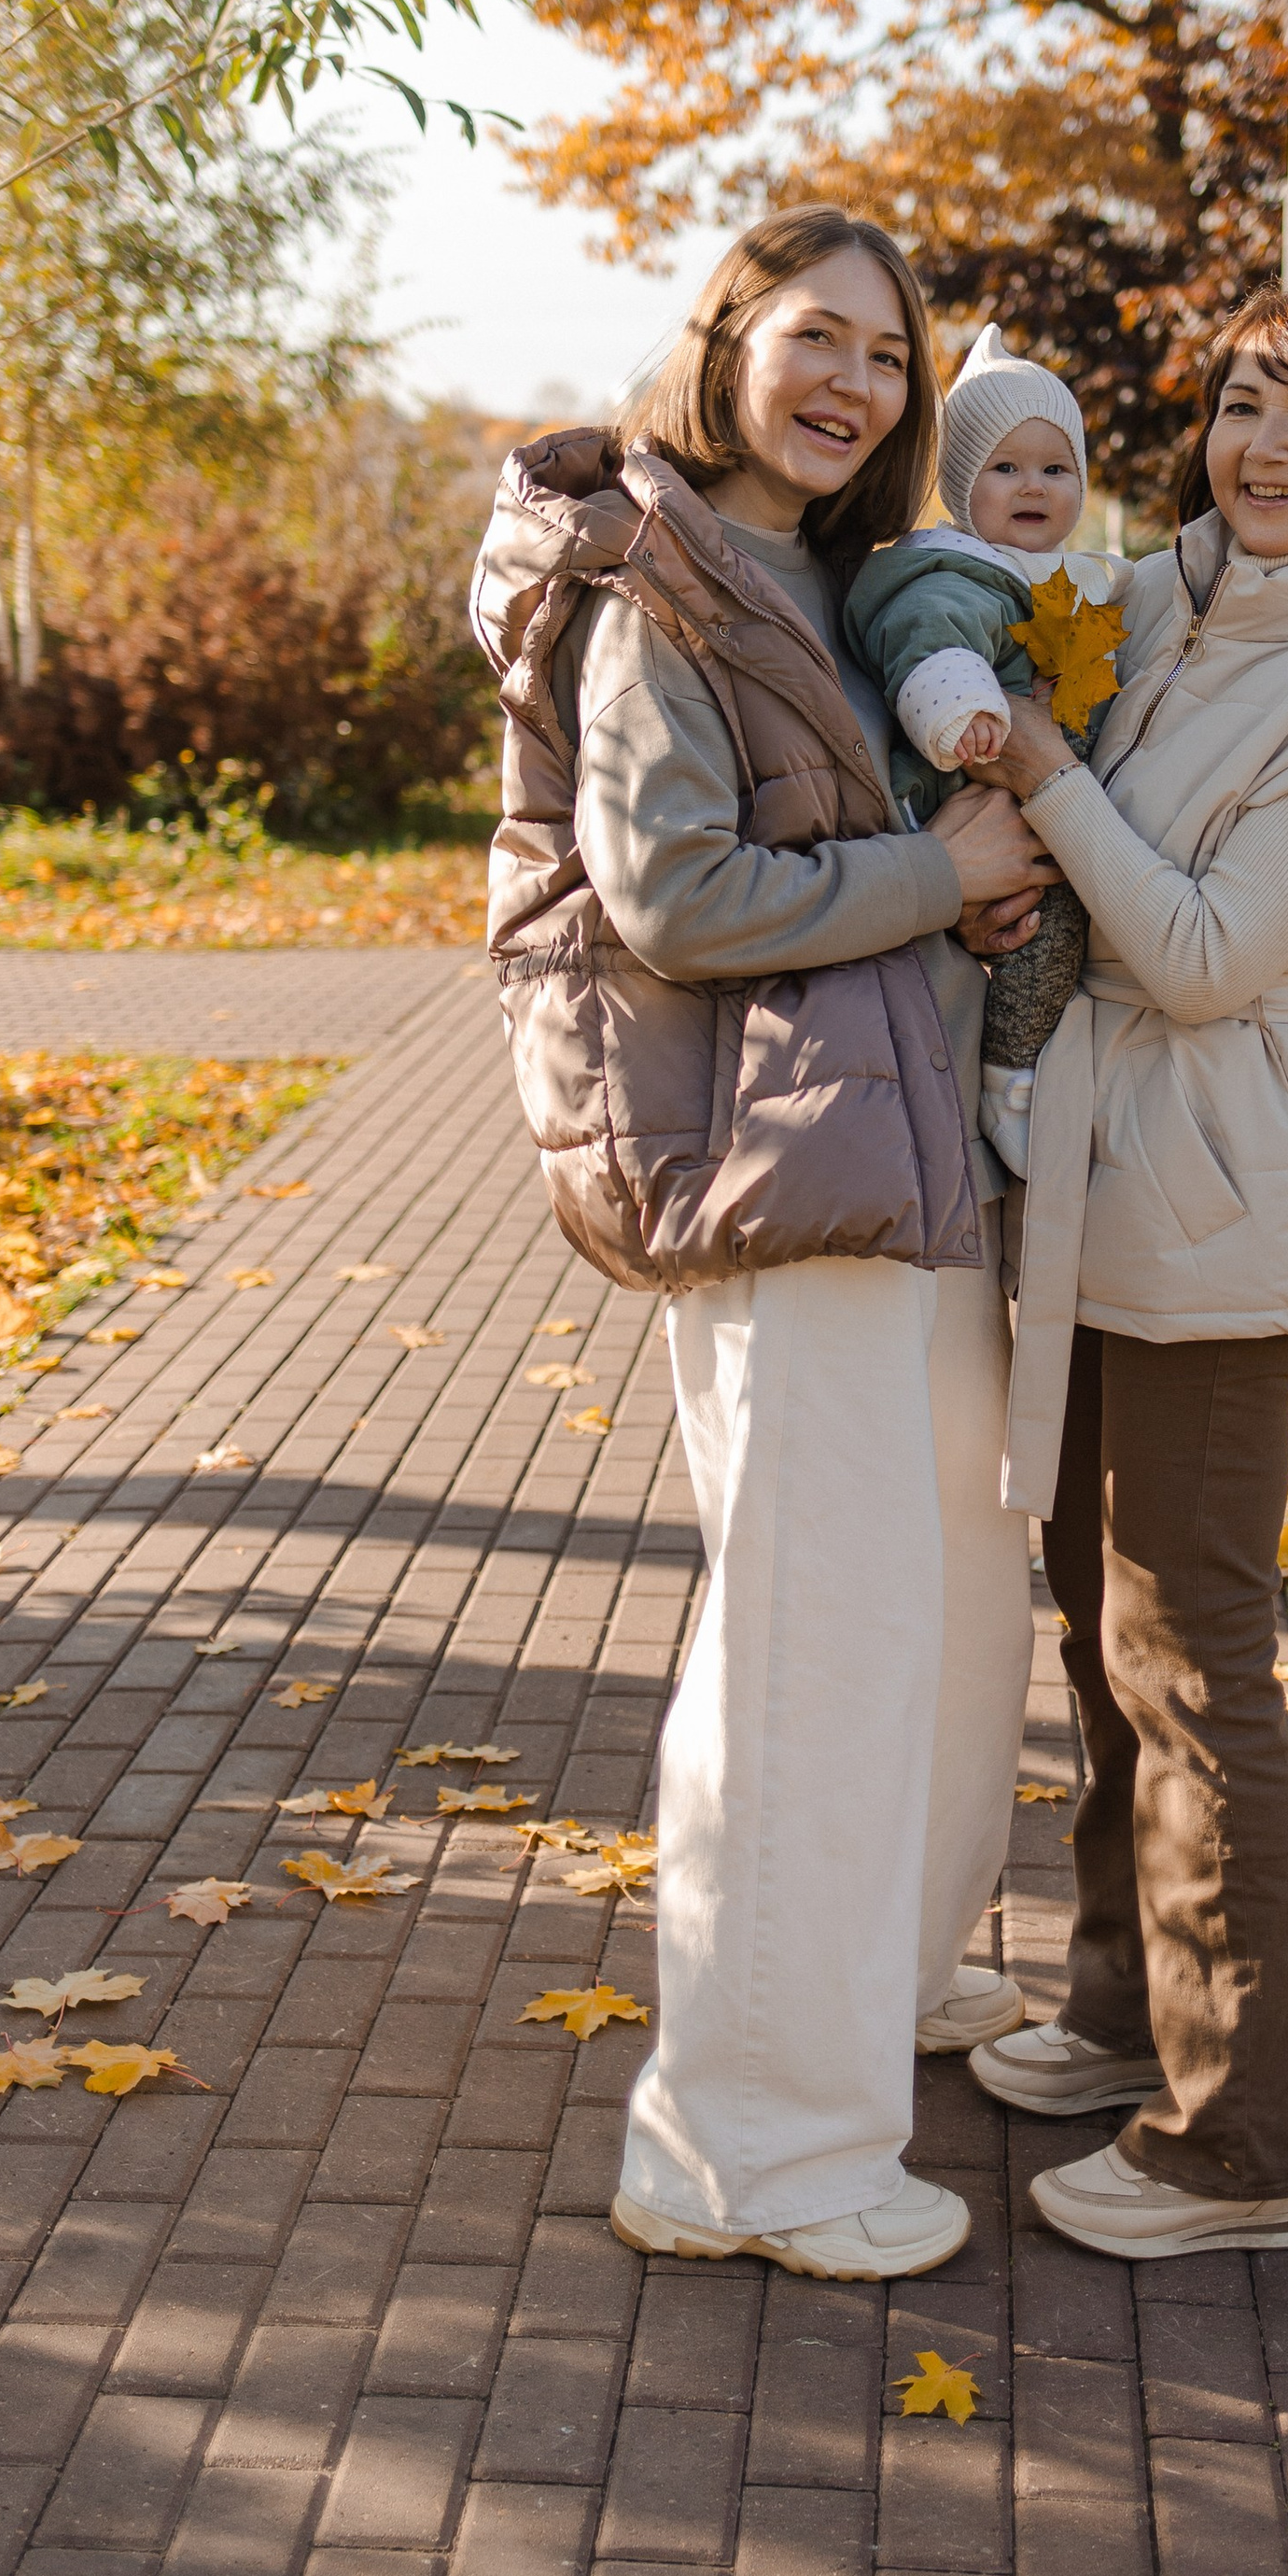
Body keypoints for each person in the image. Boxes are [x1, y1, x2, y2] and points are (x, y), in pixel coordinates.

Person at [469, 205, 1058, 2284]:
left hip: (893, 1168)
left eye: (887, 361)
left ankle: (867, 1992)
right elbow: (679, 903)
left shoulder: (809, 575)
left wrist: (960, 884)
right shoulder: (660, 583)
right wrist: (928, 869)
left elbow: (874, 857)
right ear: (725, 340)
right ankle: (745, 2146)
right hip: (775, 1176)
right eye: (818, 340)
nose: (852, 387)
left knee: (941, 1605)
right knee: (811, 1646)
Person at [959, 280, 1288, 2259]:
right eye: (1238, 404)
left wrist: (1038, 771)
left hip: (1214, 1166)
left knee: (1191, 1642)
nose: (1264, 445)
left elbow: (1196, 954)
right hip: (1101, 1160)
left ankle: (1249, 2140)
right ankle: (1124, 2012)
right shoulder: (1165, 595)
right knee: (1095, 1610)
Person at [842, 325, 1131, 1179]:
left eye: (1055, 468)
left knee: (1059, 936)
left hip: (1050, 801)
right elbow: (929, 639)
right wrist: (961, 704)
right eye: (1004, 468)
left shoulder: (1080, 579)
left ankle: (1032, 1071)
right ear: (963, 487)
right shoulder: (957, 574)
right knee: (1037, 938)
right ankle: (1011, 1084)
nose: (1032, 486)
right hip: (969, 788)